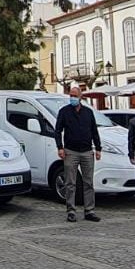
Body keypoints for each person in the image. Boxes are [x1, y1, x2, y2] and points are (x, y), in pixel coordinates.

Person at [53, 85, 102, 222]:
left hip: (87, 151)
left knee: (88, 183)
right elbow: (57, 131)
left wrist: (98, 148)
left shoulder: (88, 112)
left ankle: (89, 211)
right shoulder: (64, 112)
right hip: (71, 151)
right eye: (71, 95)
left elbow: (94, 131)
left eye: (75, 95)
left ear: (80, 97)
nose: (72, 98)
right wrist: (60, 147)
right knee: (70, 183)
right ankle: (71, 211)